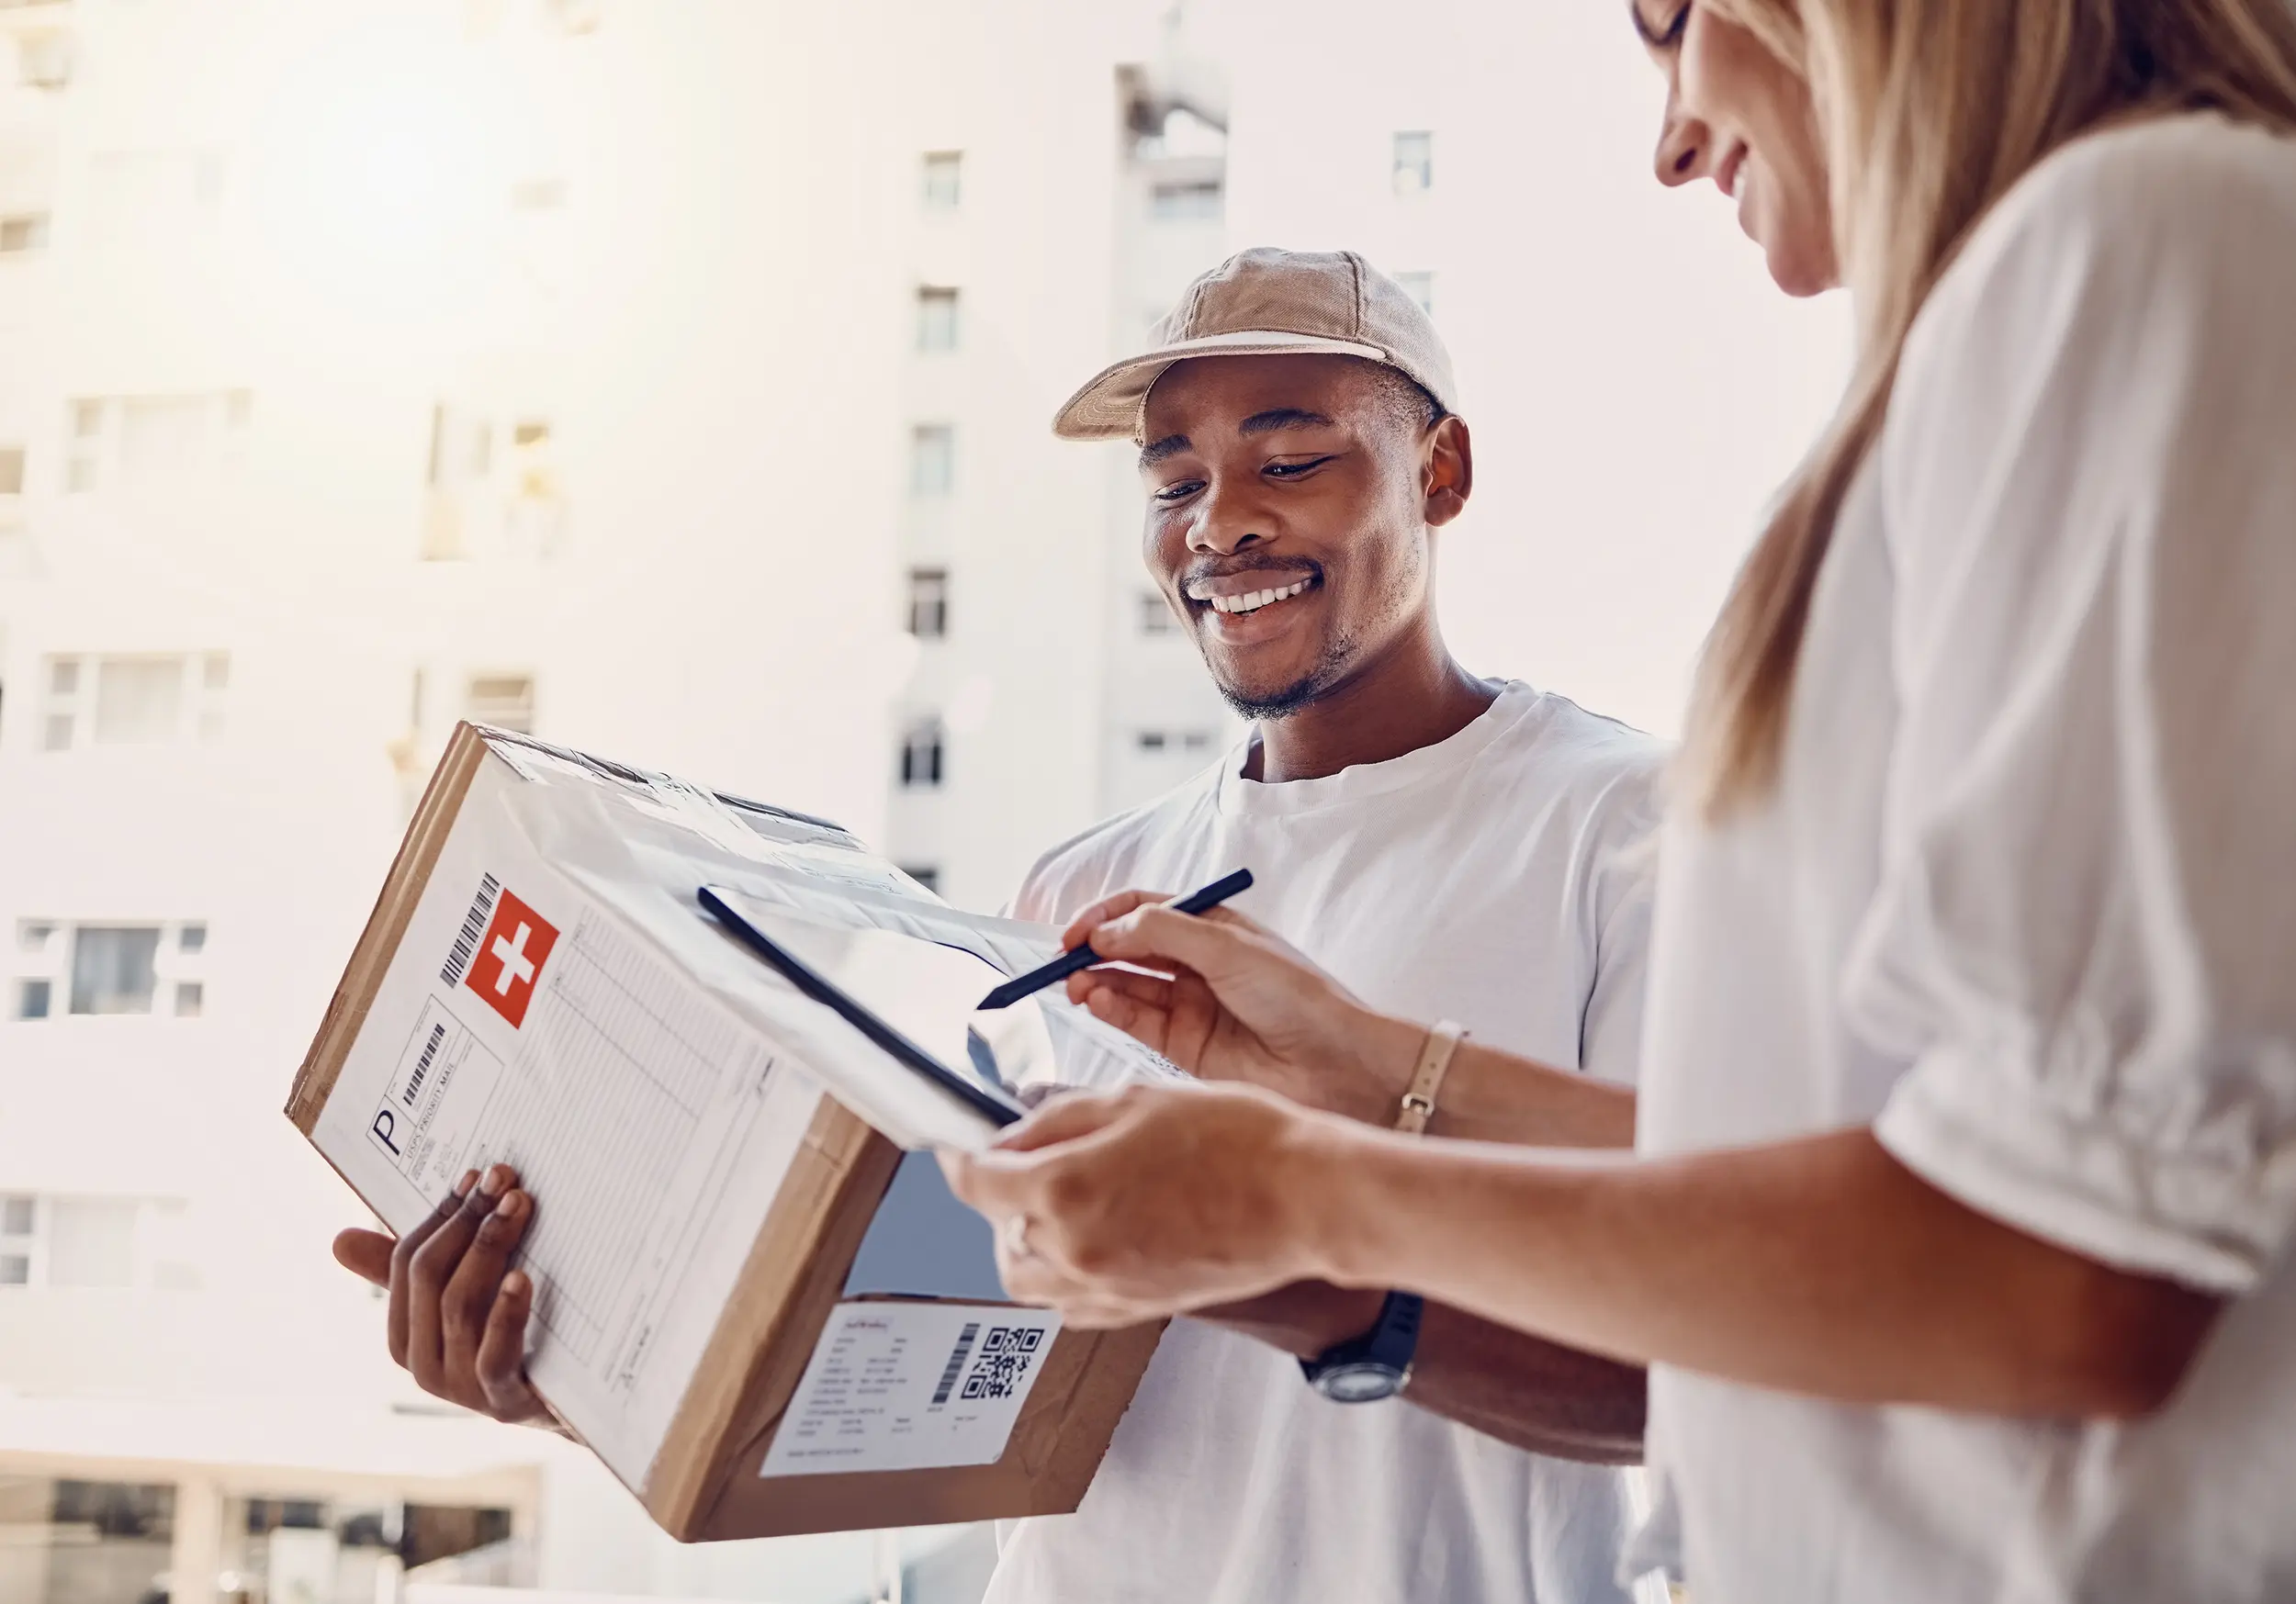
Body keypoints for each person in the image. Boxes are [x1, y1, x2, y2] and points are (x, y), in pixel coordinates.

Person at [940, 5, 2296, 1602]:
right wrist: (1371, 1065)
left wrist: (1296, 1201)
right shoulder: (2016, 326)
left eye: (1673, 21)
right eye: (1174, 481)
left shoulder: (2134, 240)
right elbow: (1853, 1168)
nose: (1669, 134)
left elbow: (2069, 1274)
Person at [336, 249, 1671, 1604]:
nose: (1217, 526)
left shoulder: (1625, 828)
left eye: (1289, 461)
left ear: (1439, 471)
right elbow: (959, 1381)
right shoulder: (1078, 894)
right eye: (1173, 483)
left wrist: (1284, 1261)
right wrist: (583, 1368)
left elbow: (1696, 1375)